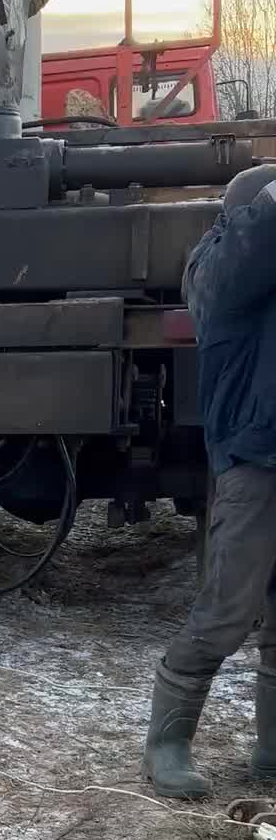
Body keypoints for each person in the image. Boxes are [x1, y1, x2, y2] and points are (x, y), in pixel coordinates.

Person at [145, 163, 276, 799]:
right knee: (228, 610)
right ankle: (166, 745)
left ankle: (272, 752)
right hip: (254, 459)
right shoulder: (222, 268)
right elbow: (252, 251)